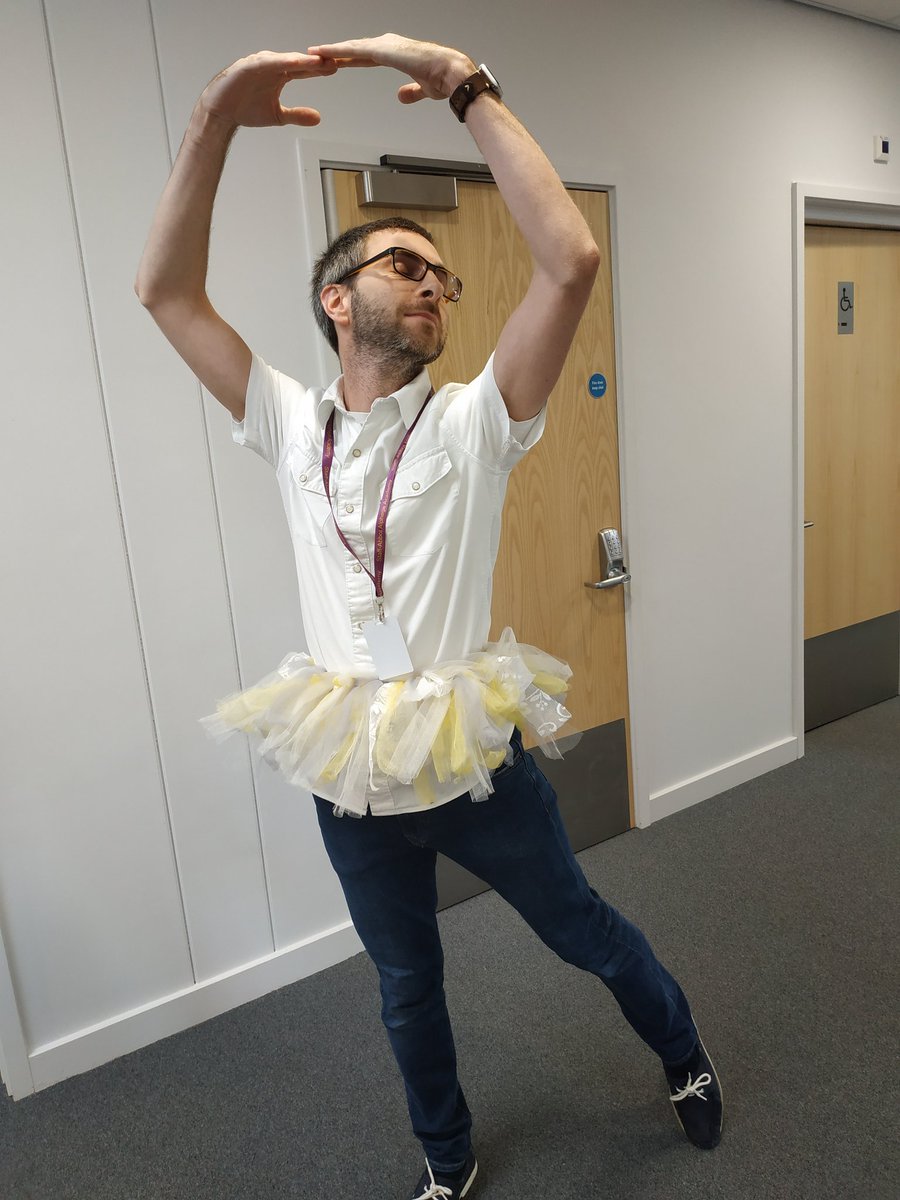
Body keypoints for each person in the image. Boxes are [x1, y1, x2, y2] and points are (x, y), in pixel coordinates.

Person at [135, 33, 723, 1200]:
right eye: (407, 263)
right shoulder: (285, 419)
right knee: (407, 984)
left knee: (582, 933)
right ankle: (446, 1161)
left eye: (444, 278)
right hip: (350, 771)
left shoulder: (472, 424)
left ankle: (683, 1053)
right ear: (336, 297)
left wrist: (466, 83)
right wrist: (210, 118)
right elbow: (164, 291)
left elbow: (570, 259)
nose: (434, 284)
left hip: (473, 762)